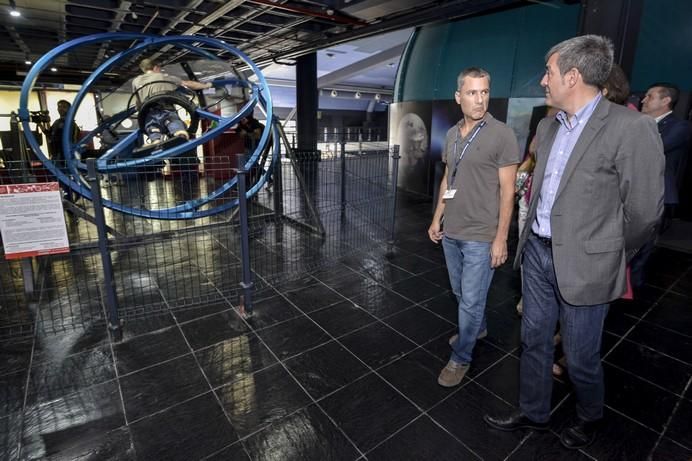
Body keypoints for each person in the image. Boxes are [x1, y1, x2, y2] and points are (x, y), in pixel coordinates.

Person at [483, 35, 664, 450]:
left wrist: (609, 255)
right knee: (533, 341)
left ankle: (590, 417)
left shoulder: (631, 127)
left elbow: (643, 213)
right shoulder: (547, 126)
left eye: (548, 72)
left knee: (581, 357)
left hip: (589, 265)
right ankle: (534, 412)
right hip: (538, 255)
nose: (543, 81)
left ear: (573, 76)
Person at [428, 67, 520, 388]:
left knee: (470, 300)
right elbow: (448, 179)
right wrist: (437, 217)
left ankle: (461, 357)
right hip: (452, 230)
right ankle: (477, 328)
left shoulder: (502, 134)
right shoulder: (452, 135)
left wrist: (501, 238)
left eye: (484, 92)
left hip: (482, 235)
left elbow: (509, 191)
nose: (479, 100)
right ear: (458, 97)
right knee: (460, 293)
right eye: (472, 93)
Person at [641, 83, 691, 232]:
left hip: (656, 196)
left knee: (642, 247)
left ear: (665, 101)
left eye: (650, 96)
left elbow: (655, 149)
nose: (643, 100)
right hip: (631, 193)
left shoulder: (680, 127)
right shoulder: (637, 122)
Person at [132, 58, 211, 144]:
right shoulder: (163, 77)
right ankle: (179, 134)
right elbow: (188, 84)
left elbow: (138, 103)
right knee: (173, 122)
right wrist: (206, 85)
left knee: (152, 127)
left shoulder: (135, 81)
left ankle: (155, 139)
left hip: (148, 114)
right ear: (155, 67)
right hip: (166, 110)